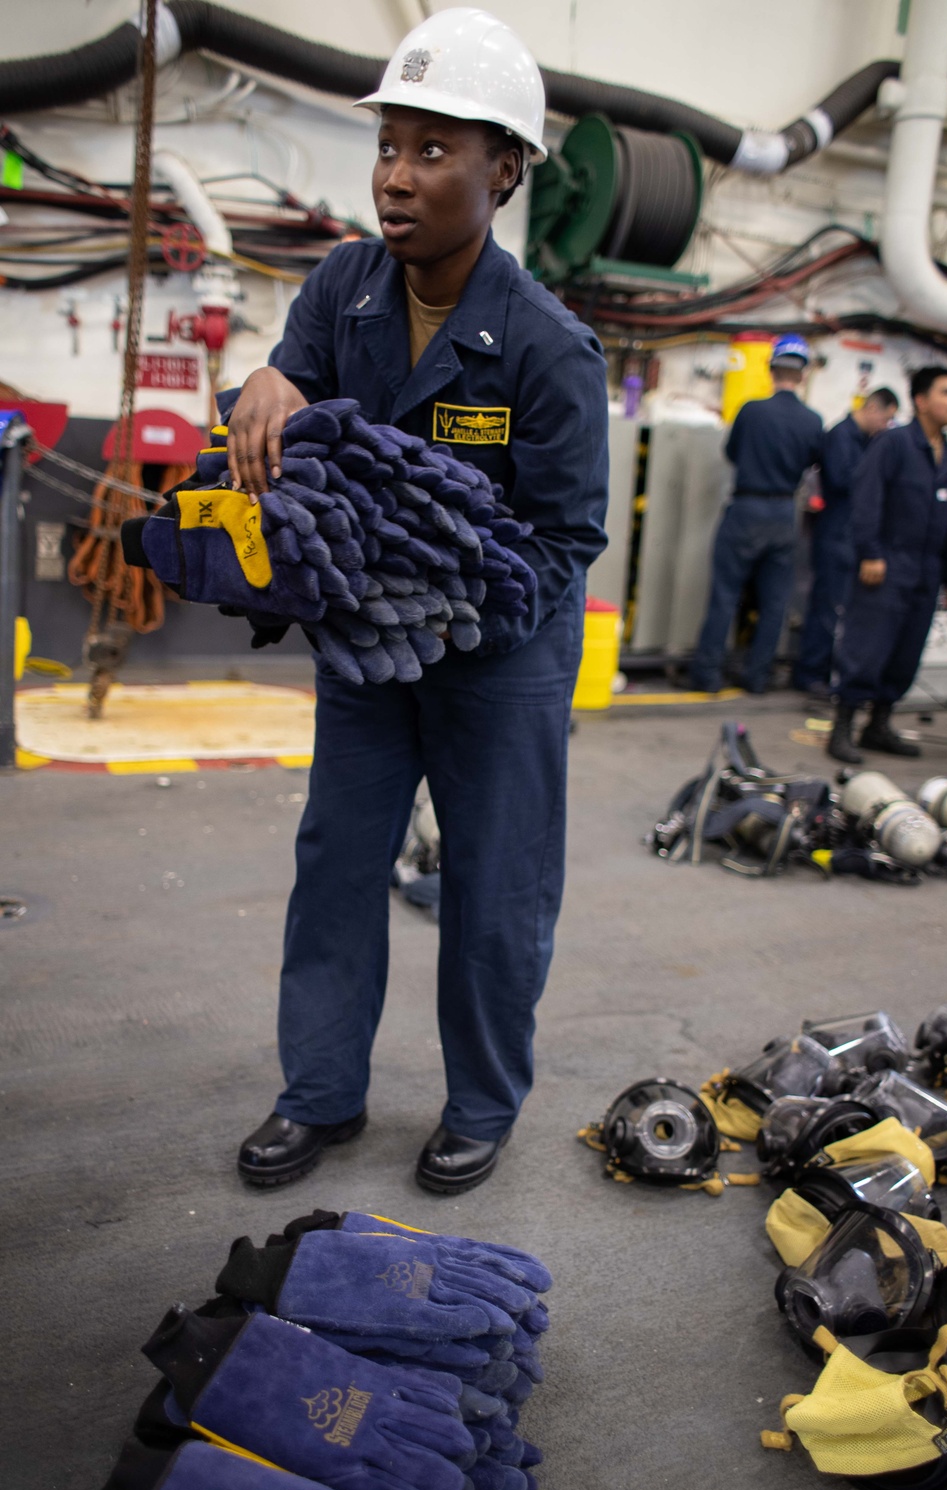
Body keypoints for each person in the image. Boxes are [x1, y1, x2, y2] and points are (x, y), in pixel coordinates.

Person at [225, 9, 609, 1194]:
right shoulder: (344, 287)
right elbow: (295, 374)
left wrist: (457, 612)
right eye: (389, 146)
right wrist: (265, 378)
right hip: (362, 659)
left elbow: (567, 536)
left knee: (495, 889)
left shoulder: (548, 350)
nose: (397, 177)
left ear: (504, 171)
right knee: (338, 865)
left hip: (500, 662)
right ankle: (321, 1094)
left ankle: (482, 1105)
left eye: (434, 152)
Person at [827, 367, 947, 763]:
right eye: (946, 392)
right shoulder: (893, 445)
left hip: (927, 571)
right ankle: (842, 727)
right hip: (887, 565)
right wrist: (870, 552)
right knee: (866, 647)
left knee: (906, 652)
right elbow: (866, 499)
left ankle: (878, 725)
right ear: (921, 401)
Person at [689, 334, 823, 694]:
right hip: (783, 513)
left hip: (746, 508)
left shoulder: (751, 411)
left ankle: (708, 676)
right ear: (804, 374)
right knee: (774, 602)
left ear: (771, 368)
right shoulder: (812, 421)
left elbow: (732, 452)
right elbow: (814, 465)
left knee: (725, 596)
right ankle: (757, 677)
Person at [794, 388, 899, 694]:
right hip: (835, 534)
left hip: (849, 536)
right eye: (886, 419)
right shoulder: (841, 436)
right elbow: (844, 481)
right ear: (872, 409)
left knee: (840, 608)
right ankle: (810, 673)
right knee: (826, 606)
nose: (885, 426)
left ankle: (827, 670)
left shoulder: (865, 441)